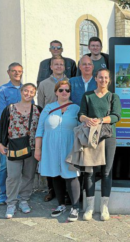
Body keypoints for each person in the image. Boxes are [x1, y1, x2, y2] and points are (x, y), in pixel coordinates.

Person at [78, 68, 121, 221]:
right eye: (100, 77)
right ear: (95, 78)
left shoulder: (113, 97)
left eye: (106, 78)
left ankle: (104, 207)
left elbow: (116, 116)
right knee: (89, 171)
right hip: (91, 137)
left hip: (108, 137)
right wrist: (87, 119)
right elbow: (80, 113)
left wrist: (101, 120)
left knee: (106, 172)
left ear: (109, 80)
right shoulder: (87, 96)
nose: (103, 80)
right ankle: (90, 207)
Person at [35, 80, 81, 222]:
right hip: (51, 147)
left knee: (71, 175)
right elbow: (40, 129)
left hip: (69, 147)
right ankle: (61, 205)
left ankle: (75, 207)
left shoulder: (76, 108)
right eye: (61, 90)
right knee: (55, 175)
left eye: (67, 90)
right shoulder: (48, 108)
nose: (64, 93)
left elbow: (81, 129)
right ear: (56, 92)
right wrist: (38, 149)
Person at [0, 83, 42, 219]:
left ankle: (24, 200)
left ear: (35, 94)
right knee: (13, 176)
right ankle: (11, 203)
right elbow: (3, 126)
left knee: (28, 175)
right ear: (21, 92)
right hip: (14, 147)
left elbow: (42, 129)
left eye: (31, 91)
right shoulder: (10, 108)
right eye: (26, 91)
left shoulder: (38, 109)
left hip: (32, 148)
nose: (28, 93)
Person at [0, 62, 24, 205]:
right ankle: (3, 194)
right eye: (14, 71)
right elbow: (3, 113)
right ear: (8, 72)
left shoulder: (26, 89)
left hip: (24, 133)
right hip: (7, 132)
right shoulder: (3, 90)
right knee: (4, 165)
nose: (17, 73)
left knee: (21, 164)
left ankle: (17, 193)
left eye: (19, 71)